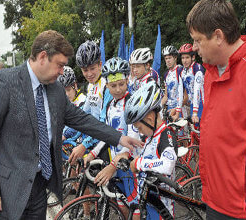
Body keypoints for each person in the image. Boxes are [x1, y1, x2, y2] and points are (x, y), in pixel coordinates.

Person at [0, 30, 143, 220]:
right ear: (43, 57)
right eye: (60, 65)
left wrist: (119, 137)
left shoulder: (54, 90)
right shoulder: (4, 83)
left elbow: (81, 119)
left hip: (39, 187)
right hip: (7, 192)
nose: (62, 72)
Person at [187, 0, 246, 219]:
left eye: (197, 40)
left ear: (218, 36)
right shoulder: (210, 72)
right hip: (214, 201)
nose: (194, 48)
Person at [84, 57, 141, 219]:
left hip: (130, 164)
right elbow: (107, 134)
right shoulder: (110, 105)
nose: (117, 89)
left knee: (135, 207)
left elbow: (132, 140)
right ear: (106, 85)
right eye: (113, 85)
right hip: (117, 163)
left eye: (121, 84)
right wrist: (93, 153)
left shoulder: (131, 103)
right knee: (121, 204)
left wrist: (113, 166)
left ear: (127, 80)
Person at [125, 81, 178, 218]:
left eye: (139, 128)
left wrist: (139, 163)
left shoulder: (166, 135)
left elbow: (167, 165)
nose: (140, 132)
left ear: (149, 119)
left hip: (161, 209)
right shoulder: (151, 135)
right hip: (148, 203)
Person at [69, 40, 114, 164]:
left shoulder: (107, 85)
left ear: (100, 64)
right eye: (84, 70)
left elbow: (103, 122)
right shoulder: (91, 86)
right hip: (95, 139)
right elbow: (82, 115)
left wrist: (84, 145)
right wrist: (64, 134)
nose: (89, 74)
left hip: (108, 142)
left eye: (92, 68)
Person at [57, 66, 86, 140]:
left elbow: (78, 124)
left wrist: (63, 136)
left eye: (68, 90)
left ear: (75, 86)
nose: (66, 94)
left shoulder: (83, 101)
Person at [178, 43, 204, 124]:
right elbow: (180, 92)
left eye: (187, 57)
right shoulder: (182, 71)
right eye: (182, 58)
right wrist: (178, 110)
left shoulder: (197, 68)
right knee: (194, 133)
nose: (184, 61)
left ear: (193, 57)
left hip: (202, 104)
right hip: (193, 104)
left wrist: (195, 112)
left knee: (201, 131)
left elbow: (197, 89)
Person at [161, 45, 183, 121]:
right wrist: (159, 106)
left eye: (170, 58)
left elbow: (185, 94)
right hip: (169, 109)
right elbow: (166, 95)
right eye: (166, 58)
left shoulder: (180, 70)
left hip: (180, 108)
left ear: (175, 58)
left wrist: (177, 109)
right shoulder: (166, 74)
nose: (168, 61)